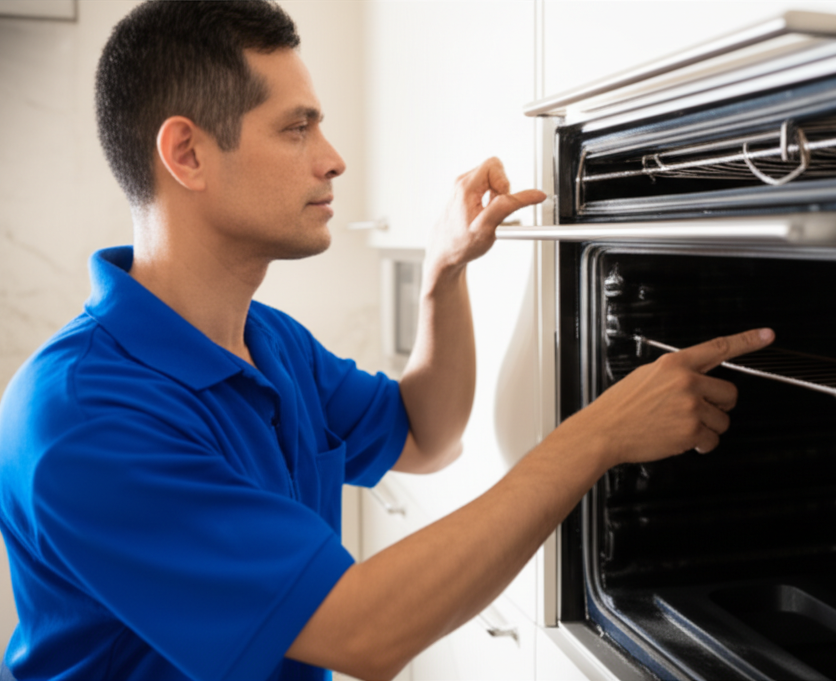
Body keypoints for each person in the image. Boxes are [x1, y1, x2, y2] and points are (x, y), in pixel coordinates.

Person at [0, 1, 774, 679]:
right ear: (187, 153)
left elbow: (427, 435)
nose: (332, 157)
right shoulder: (81, 417)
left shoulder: (267, 342)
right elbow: (363, 632)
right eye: (296, 127)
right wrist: (599, 434)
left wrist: (443, 275)